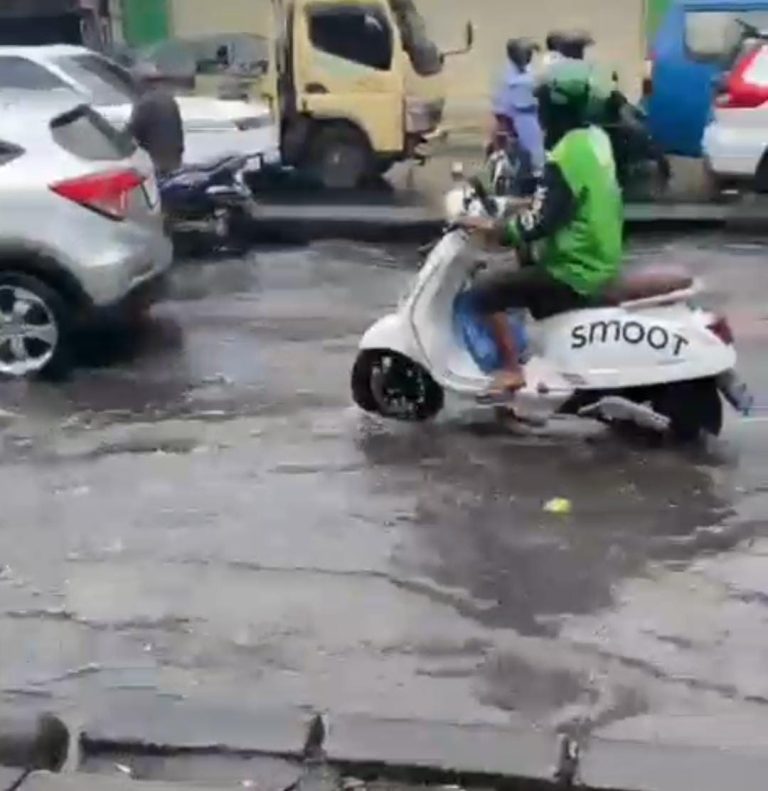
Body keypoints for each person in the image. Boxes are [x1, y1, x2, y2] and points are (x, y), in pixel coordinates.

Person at [460, 62, 623, 398]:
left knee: (483, 290)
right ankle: (530, 353)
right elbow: (567, 201)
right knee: (518, 270)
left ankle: (511, 370)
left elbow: (540, 222)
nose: (539, 113)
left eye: (543, 104)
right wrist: (516, 205)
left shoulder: (565, 155)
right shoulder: (595, 140)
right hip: (598, 257)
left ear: (557, 108)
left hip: (574, 269)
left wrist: (497, 229)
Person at [490, 38, 546, 193]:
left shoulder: (530, 73)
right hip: (517, 132)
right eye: (525, 53)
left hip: (533, 128)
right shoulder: (509, 80)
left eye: (530, 53)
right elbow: (501, 114)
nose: (528, 57)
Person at [127, 64, 185, 177]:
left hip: (155, 162)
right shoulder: (169, 100)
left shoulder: (145, 103)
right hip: (173, 159)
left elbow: (133, 131)